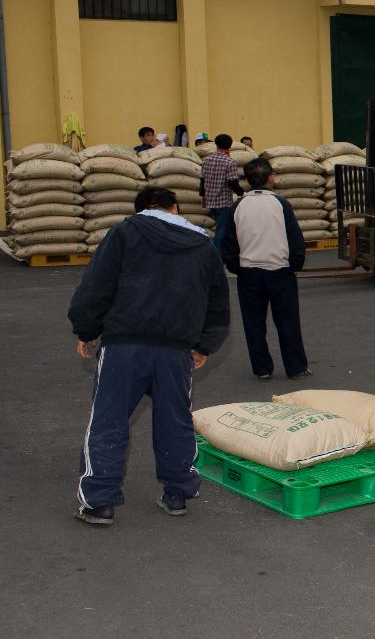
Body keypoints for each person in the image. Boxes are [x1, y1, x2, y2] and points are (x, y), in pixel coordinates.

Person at [68, 186, 230, 525]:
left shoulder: (124, 233)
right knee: (175, 421)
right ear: (174, 207)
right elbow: (217, 300)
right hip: (175, 350)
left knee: (108, 420)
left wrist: (86, 329)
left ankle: (99, 502)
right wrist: (203, 345)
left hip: (124, 345)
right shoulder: (202, 244)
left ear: (140, 210)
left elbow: (97, 286)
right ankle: (177, 494)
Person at [220, 158, 311, 379]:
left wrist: (236, 267)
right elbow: (295, 239)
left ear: (249, 180)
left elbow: (227, 242)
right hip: (280, 272)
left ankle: (262, 369)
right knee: (288, 322)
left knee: (254, 324)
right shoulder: (280, 204)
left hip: (249, 274)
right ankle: (296, 367)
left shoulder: (238, 206)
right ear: (270, 177)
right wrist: (295, 264)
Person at [199, 133, 245, 251]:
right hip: (223, 202)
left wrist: (203, 197)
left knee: (218, 227)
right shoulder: (229, 162)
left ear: (216, 144)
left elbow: (202, 180)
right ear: (230, 145)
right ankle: (217, 255)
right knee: (221, 230)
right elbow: (232, 183)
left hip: (209, 200)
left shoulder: (206, 160)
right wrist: (242, 194)